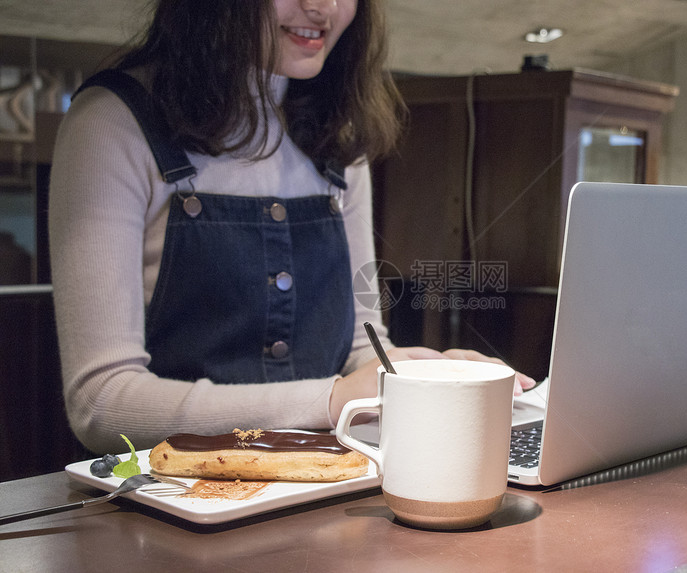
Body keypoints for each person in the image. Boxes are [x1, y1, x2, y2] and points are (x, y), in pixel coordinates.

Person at [49, 0, 534, 454]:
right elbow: (101, 402)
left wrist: (427, 375)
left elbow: (361, 346)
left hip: (319, 486)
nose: (323, 6)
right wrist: (332, 400)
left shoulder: (338, 134)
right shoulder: (113, 122)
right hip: (166, 505)